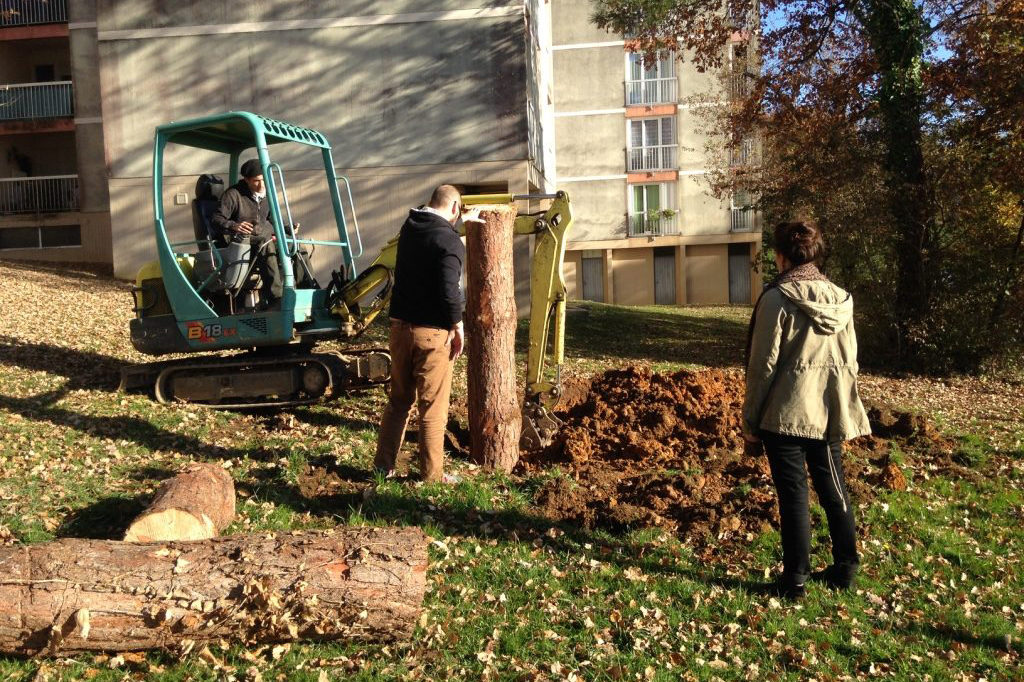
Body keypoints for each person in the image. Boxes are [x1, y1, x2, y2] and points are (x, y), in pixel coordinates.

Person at [742, 220, 871, 600]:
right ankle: (846, 567)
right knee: (834, 489)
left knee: (794, 496)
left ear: (780, 256)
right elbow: (850, 361)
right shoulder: (841, 299)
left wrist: (750, 421)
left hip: (784, 415)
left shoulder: (775, 298)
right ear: (815, 254)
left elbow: (761, 365)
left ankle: (795, 581)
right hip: (828, 413)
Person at [374, 185, 482, 484]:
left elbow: (436, 239)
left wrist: (459, 226)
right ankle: (432, 476)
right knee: (432, 408)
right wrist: (458, 326)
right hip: (432, 335)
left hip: (399, 330)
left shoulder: (410, 226)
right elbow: (450, 290)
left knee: (399, 401)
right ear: (456, 208)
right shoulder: (449, 242)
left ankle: (382, 467)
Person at [211, 159, 315, 307]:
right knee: (265, 243)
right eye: (256, 181)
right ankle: (277, 297)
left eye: (263, 180)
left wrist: (288, 228)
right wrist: (234, 225)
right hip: (240, 241)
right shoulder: (233, 194)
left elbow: (273, 218)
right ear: (246, 180)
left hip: (262, 236)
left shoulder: (266, 194)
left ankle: (307, 290)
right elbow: (216, 218)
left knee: (296, 243)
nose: (261, 185)